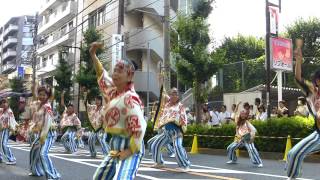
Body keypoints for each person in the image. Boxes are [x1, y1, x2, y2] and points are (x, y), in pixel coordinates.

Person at [90, 42, 146, 180]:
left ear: (129, 75)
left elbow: (140, 127)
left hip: (131, 148)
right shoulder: (112, 92)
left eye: (119, 71)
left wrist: (129, 150)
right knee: (99, 177)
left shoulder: (131, 99)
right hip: (115, 149)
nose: (114, 74)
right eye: (114, 70)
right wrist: (93, 55)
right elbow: (101, 74)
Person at [286, 39, 320, 179]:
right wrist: (298, 61)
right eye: (317, 82)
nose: (317, 86)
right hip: (318, 134)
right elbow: (298, 78)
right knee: (292, 154)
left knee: (294, 154)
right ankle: (293, 176)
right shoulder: (312, 92)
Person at [151, 87, 190, 171]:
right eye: (172, 93)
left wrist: (180, 125)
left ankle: (184, 165)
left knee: (177, 147)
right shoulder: (166, 106)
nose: (174, 95)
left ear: (178, 96)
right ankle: (159, 163)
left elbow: (183, 118)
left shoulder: (180, 106)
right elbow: (163, 116)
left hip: (176, 132)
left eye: (176, 93)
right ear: (169, 95)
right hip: (166, 132)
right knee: (155, 145)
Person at [28, 86, 60, 179]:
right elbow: (33, 104)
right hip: (41, 133)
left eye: (44, 95)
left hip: (48, 134)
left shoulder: (47, 106)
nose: (42, 96)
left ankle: (52, 175)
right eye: (40, 94)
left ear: (48, 96)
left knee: (43, 154)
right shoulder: (39, 104)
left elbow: (47, 122)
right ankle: (36, 171)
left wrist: (43, 137)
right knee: (33, 150)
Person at [84, 93, 110, 158]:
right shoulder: (93, 107)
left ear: (101, 101)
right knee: (90, 140)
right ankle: (93, 153)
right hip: (95, 128)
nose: (97, 102)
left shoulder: (103, 108)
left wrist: (104, 127)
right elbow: (87, 105)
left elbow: (106, 117)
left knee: (102, 140)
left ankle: (107, 154)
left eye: (98, 100)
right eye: (96, 100)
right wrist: (85, 95)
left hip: (102, 128)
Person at [0, 98, 18, 165]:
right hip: (1, 129)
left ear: (8, 103)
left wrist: (12, 129)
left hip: (6, 130)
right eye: (2, 103)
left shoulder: (9, 111)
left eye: (5, 102)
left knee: (4, 144)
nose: (4, 104)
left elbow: (12, 121)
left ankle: (12, 159)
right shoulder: (2, 110)